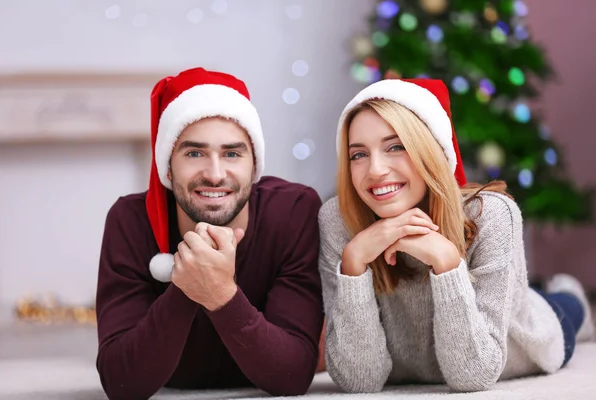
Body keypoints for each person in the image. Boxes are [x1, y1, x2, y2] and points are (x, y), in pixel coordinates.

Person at [318, 78, 594, 393]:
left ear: (429, 149)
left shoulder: (491, 214)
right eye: (358, 155)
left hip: (520, 342)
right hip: (418, 359)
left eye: (396, 146)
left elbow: (473, 374)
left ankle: (565, 293)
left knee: (566, 308)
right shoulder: (339, 223)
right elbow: (359, 379)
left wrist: (448, 262)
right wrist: (353, 264)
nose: (376, 170)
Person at [95, 67, 325, 400]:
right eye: (194, 153)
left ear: (254, 163)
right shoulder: (130, 220)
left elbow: (292, 377)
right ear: (168, 167)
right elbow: (122, 385)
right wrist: (190, 285)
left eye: (232, 153)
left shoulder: (292, 212)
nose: (215, 174)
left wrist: (221, 295)